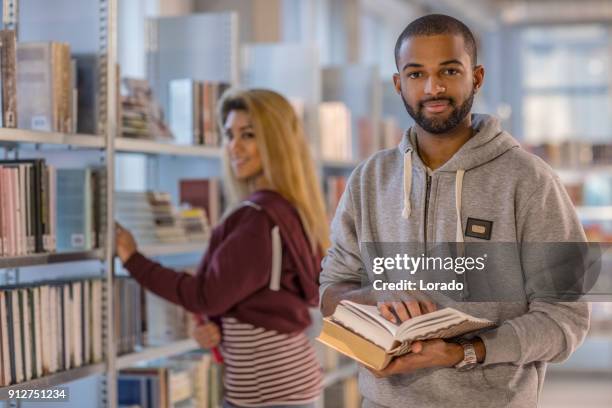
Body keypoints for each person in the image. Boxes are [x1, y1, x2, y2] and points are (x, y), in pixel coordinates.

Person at [319, 14, 590, 408]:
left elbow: (566, 317)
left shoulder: (529, 180)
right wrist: (380, 296)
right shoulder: (369, 179)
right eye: (415, 74)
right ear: (398, 84)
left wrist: (465, 351)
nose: (433, 87)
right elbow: (330, 293)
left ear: (476, 77)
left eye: (449, 70)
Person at [116, 89, 330, 408]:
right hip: (289, 383)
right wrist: (217, 323)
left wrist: (133, 259)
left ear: (276, 143)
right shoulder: (288, 209)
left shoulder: (257, 219)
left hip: (268, 392)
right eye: (229, 134)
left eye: (249, 135)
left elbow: (206, 295)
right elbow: (260, 295)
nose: (234, 146)